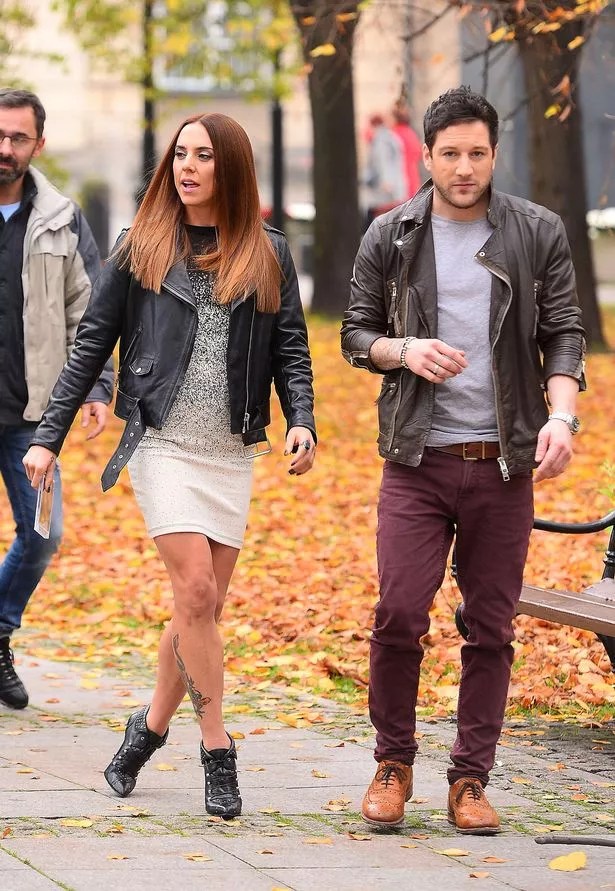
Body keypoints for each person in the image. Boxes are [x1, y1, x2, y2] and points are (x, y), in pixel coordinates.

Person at [23, 112, 316, 818]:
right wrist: (48, 437)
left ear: (231, 167)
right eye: (180, 154)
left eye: (203, 156)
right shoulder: (142, 245)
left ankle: (148, 728)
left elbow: (291, 348)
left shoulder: (268, 253)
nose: (187, 166)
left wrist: (302, 419)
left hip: (230, 451)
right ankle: (217, 748)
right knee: (196, 590)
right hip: (160, 442)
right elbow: (91, 344)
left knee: (198, 609)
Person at [341, 86, 585, 834]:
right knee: (398, 611)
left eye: (477, 153)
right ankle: (392, 762)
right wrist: (404, 350)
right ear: (427, 155)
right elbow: (355, 334)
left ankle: (470, 778)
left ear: (494, 153)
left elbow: (563, 333)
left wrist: (562, 416)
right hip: (417, 460)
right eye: (449, 153)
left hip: (502, 464)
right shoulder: (391, 234)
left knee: (490, 625)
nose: (464, 167)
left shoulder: (536, 231)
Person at [0, 88, 113, 710]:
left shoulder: (61, 218)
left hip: (30, 418)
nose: (5, 147)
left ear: (37, 145)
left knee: (43, 535)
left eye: (18, 138)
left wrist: (96, 385)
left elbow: (89, 312)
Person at [363, 113, 407, 226]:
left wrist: (387, 181)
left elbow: (384, 160)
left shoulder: (381, 140)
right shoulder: (390, 137)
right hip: (395, 184)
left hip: (385, 188)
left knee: (379, 218)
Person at [391, 102, 422, 199]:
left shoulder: (392, 134)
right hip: (411, 178)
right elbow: (419, 154)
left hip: (397, 182)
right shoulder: (411, 134)